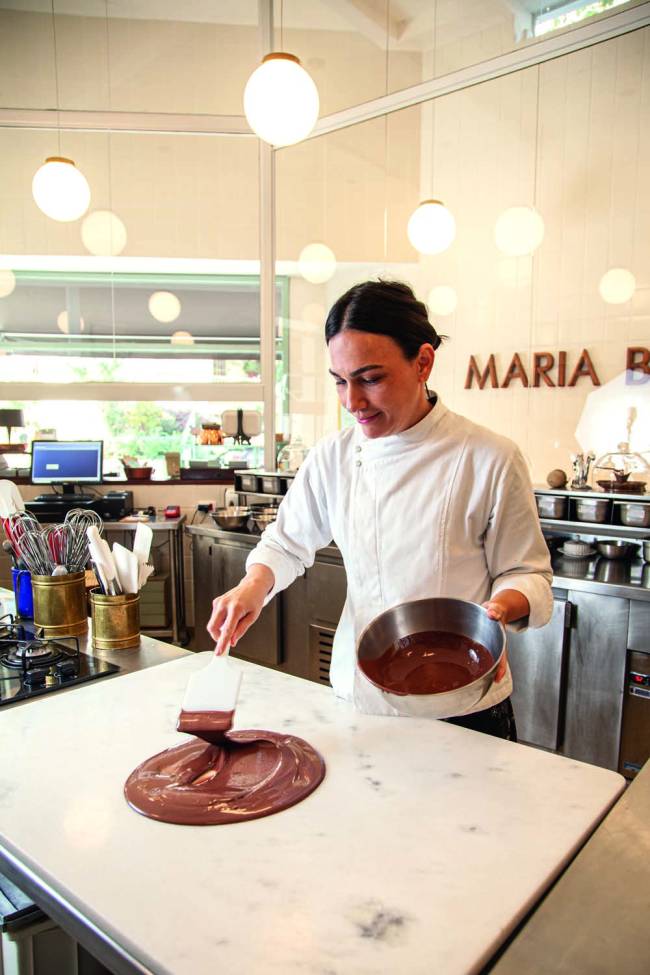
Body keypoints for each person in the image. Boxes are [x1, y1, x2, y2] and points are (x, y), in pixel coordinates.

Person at [207, 280, 553, 740]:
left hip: (461, 697)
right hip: (361, 695)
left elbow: (526, 571)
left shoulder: (489, 457)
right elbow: (287, 542)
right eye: (340, 382)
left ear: (423, 362)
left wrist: (499, 609)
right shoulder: (333, 456)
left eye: (371, 379)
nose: (352, 402)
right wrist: (253, 586)